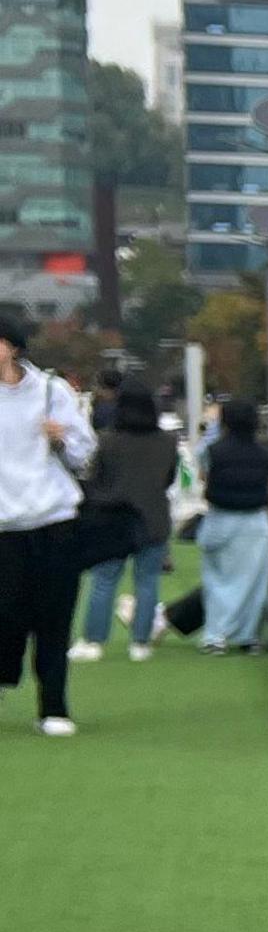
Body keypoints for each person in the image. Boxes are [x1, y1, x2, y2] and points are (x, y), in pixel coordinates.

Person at [0, 307, 98, 735]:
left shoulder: (50, 391)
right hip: (4, 526)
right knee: (4, 618)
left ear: (13, 347)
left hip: (54, 521)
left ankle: (53, 707)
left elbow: (84, 453)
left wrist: (62, 435)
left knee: (54, 618)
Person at [75, 385, 179, 663]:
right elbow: (169, 479)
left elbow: (95, 477)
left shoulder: (107, 440)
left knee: (104, 581)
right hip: (153, 517)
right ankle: (140, 644)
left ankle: (93, 642)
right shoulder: (168, 442)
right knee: (147, 582)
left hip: (112, 517)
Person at [194, 398, 268, 655]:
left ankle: (215, 636)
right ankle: (248, 636)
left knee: (216, 580)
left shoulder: (212, 450)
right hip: (255, 521)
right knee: (253, 582)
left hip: (220, 518)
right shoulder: (264, 452)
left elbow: (203, 475)